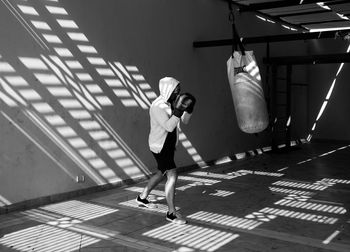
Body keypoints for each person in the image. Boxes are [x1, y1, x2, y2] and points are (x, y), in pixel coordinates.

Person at [136, 77, 196, 225]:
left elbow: (185, 121)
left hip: (168, 145)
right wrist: (178, 111)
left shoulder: (174, 102)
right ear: (168, 89)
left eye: (179, 90)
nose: (178, 93)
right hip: (159, 146)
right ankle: (171, 213)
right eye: (176, 90)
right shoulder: (157, 106)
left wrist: (188, 109)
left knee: (161, 172)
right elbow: (169, 126)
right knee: (172, 174)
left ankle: (142, 197)